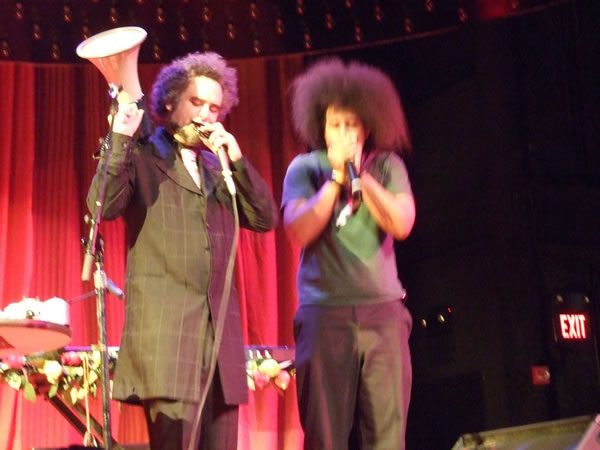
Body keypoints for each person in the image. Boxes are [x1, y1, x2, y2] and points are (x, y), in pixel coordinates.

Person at [87, 52, 278, 450]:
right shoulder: (143, 155)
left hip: (220, 351)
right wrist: (120, 138)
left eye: (214, 108)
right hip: (168, 348)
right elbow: (103, 205)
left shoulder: (218, 167)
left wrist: (237, 161)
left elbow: (264, 219)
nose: (206, 114)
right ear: (171, 102)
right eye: (196, 102)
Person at [281, 57, 416, 450]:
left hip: (383, 314)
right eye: (335, 125)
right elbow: (299, 229)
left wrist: (363, 179)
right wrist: (336, 179)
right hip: (324, 314)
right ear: (321, 127)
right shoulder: (304, 168)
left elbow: (402, 224)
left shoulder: (387, 166)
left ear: (366, 128)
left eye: (351, 125)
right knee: (325, 436)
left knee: (388, 436)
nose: (343, 134)